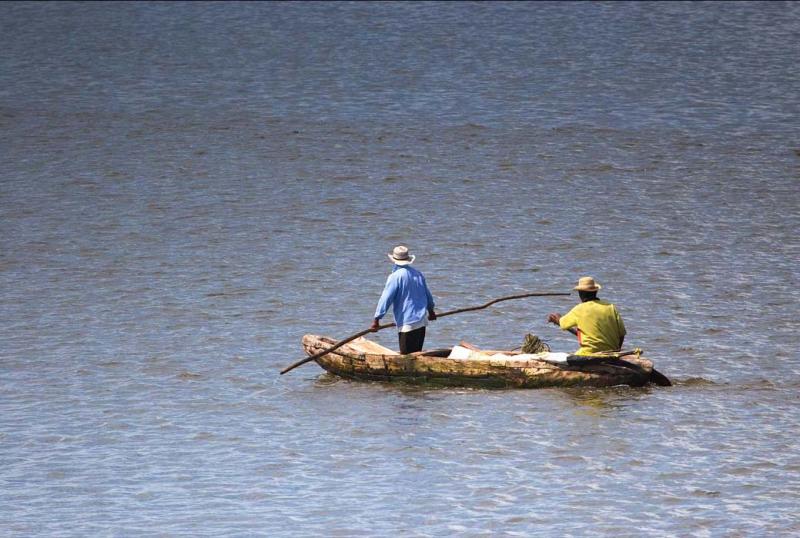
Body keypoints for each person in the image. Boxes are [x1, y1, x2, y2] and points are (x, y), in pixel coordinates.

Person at [369, 245, 436, 354]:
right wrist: (431, 311)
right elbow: (427, 294)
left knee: (407, 358)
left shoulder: (395, 276)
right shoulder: (417, 274)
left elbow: (386, 299)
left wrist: (376, 319)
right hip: (421, 322)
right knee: (417, 355)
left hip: (407, 324)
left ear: (394, 260)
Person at [547, 276, 625, 356]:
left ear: (581, 293)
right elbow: (621, 334)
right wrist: (616, 351)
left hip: (588, 353)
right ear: (596, 291)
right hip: (612, 353)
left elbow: (563, 324)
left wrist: (556, 318)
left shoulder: (579, 309)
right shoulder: (610, 307)